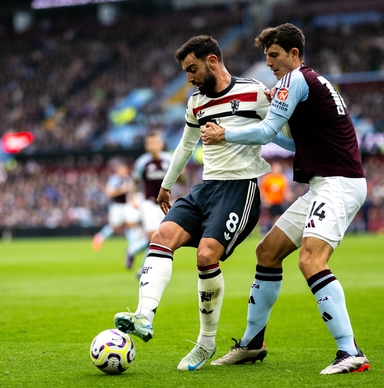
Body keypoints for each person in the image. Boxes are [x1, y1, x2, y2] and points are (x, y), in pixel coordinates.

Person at [201, 23, 370, 374]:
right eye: (266, 57)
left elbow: (265, 131)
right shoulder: (307, 82)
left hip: (339, 182)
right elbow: (290, 142)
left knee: (311, 260)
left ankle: (350, 352)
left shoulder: (295, 80)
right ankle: (251, 344)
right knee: (268, 251)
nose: (269, 63)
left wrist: (225, 134)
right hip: (326, 184)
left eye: (274, 55)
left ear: (294, 54)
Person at [113, 35, 272, 371]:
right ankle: (144, 316)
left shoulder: (255, 92)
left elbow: (278, 131)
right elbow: (185, 147)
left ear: (212, 61)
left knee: (206, 256)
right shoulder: (196, 102)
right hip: (205, 188)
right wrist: (166, 187)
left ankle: (206, 343)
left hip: (240, 188)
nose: (189, 77)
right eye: (186, 71)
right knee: (161, 237)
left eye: (192, 69)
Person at [129, 131, 174, 276]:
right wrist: (132, 198)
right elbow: (134, 182)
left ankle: (134, 251)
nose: (153, 146)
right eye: (150, 143)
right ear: (146, 146)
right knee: (153, 238)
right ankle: (143, 269)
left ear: (161, 144)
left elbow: (182, 180)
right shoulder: (142, 162)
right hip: (148, 204)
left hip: (165, 204)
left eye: (156, 143)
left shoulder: (170, 159)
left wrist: (181, 175)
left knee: (162, 239)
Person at [92, 161, 145, 270]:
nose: (124, 172)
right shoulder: (114, 179)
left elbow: (131, 192)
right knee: (115, 226)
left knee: (131, 224)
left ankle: (132, 247)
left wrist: (133, 201)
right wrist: (120, 191)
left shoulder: (128, 179)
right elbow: (109, 192)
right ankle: (100, 237)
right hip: (116, 206)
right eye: (122, 170)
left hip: (126, 205)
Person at [259, 161, 292, 235]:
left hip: (279, 202)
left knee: (277, 217)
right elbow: (262, 190)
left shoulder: (282, 178)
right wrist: (265, 199)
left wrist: (288, 196)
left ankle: (273, 232)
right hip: (270, 202)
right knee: (274, 217)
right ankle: (269, 231)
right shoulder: (268, 178)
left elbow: (285, 190)